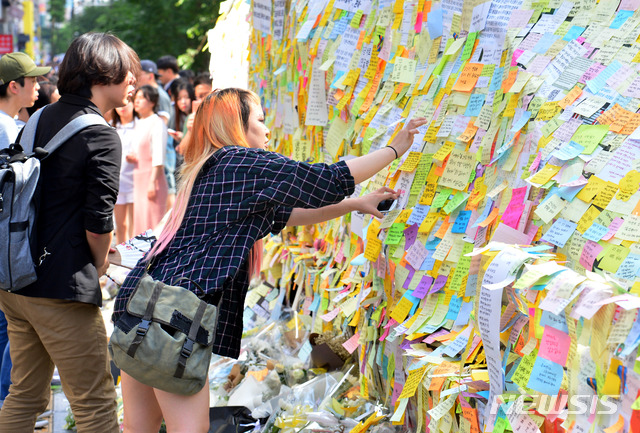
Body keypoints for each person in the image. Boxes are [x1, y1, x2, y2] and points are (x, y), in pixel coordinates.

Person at [112, 87, 427, 432]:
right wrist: (394, 149)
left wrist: (354, 204)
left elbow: (286, 214)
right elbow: (327, 179)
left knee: (137, 427)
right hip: (173, 320)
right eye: (260, 121)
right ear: (238, 124)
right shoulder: (241, 161)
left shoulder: (212, 165)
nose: (267, 130)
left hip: (142, 307)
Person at [0, 32, 139, 432]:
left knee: (25, 395)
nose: (134, 80)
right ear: (103, 72)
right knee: (95, 404)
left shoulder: (39, 117)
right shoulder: (100, 135)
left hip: (16, 279)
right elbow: (98, 222)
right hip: (59, 289)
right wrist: (98, 264)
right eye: (127, 70)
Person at [131, 85, 168, 235]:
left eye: (141, 98)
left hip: (152, 178)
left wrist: (152, 182)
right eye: (136, 98)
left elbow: (159, 156)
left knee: (152, 222)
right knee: (140, 221)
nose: (137, 101)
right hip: (138, 178)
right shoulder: (139, 122)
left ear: (152, 102)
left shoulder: (157, 122)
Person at [0, 52, 50, 148]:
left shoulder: (7, 121)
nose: (38, 86)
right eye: (33, 81)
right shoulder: (5, 126)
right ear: (14, 86)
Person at [110, 99, 137, 244]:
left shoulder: (139, 126)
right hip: (118, 181)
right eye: (119, 106)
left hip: (134, 180)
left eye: (127, 104)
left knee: (135, 225)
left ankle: (135, 259)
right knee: (120, 225)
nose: (123, 108)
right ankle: (122, 257)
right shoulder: (112, 128)